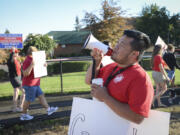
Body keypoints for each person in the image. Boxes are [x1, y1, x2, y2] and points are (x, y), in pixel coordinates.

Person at [85, 30, 154, 124]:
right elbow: (88, 80)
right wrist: (96, 62)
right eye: (118, 42)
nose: (115, 47)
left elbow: (138, 118)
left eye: (122, 45)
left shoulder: (141, 78)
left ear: (134, 54)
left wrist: (106, 98)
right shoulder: (112, 67)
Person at [20, 46, 58, 121]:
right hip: (29, 84)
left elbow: (39, 69)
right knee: (28, 100)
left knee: (41, 96)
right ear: (32, 53)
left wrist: (44, 65)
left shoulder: (34, 59)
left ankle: (48, 109)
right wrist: (32, 64)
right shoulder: (28, 60)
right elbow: (25, 73)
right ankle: (23, 115)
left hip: (35, 83)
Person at [7, 47, 25, 112]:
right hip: (15, 78)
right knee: (24, 91)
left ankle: (15, 108)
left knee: (16, 92)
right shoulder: (10, 60)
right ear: (13, 53)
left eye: (17, 52)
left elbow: (19, 69)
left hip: (18, 77)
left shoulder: (16, 60)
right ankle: (20, 107)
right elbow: (11, 60)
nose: (17, 53)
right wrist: (13, 51)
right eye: (16, 52)